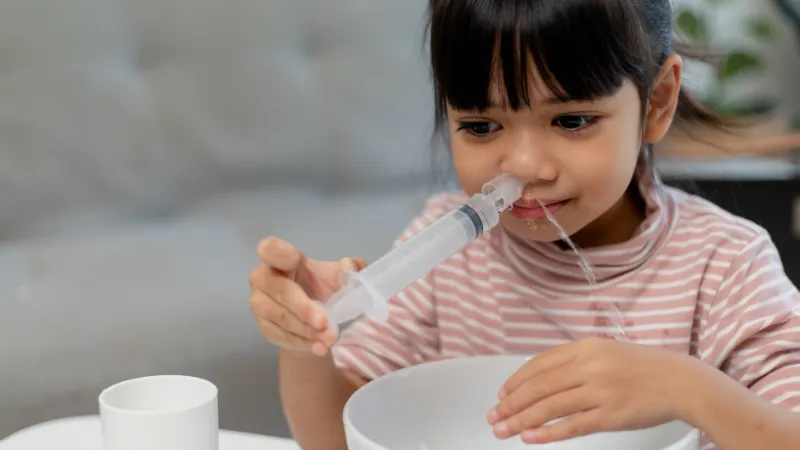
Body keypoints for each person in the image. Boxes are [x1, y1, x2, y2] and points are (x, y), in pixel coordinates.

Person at [248, 1, 800, 449]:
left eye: (572, 120)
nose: (524, 168)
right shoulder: (444, 251)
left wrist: (691, 389)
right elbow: (335, 439)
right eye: (482, 126)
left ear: (657, 103)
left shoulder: (724, 263)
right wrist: (305, 343)